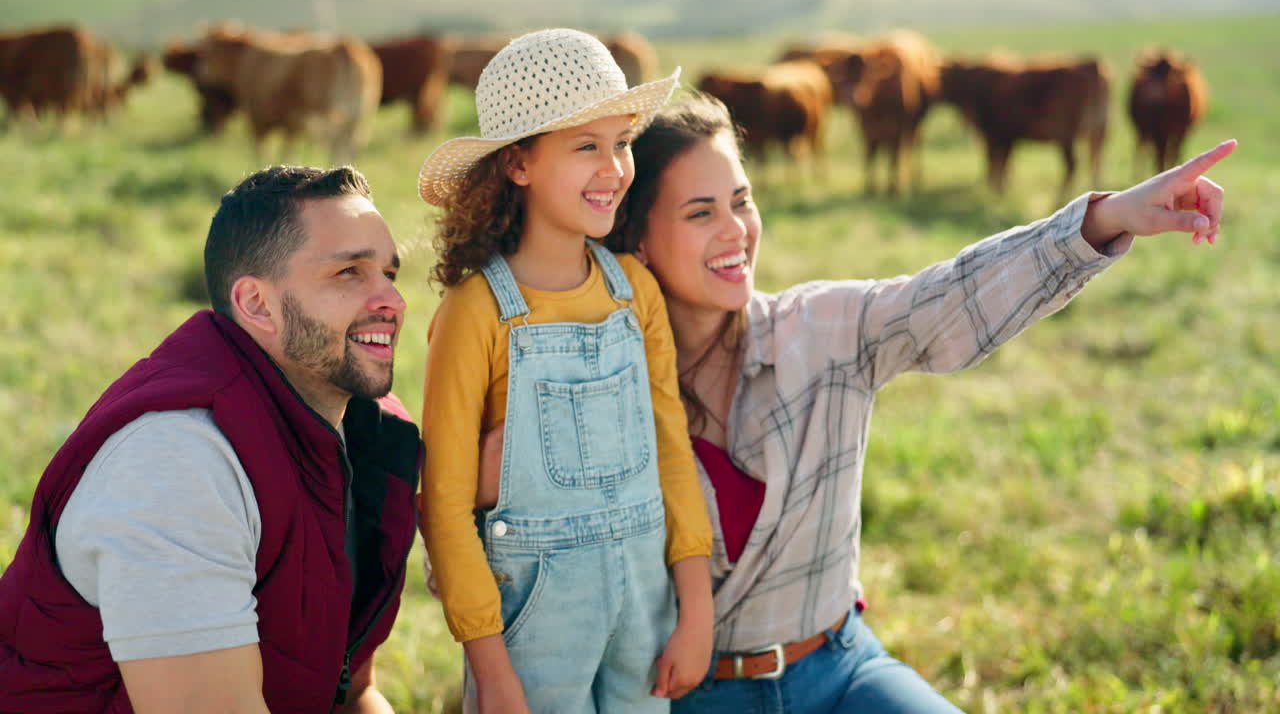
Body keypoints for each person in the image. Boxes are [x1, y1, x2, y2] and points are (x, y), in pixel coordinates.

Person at [477, 93, 1234, 711]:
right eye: (701, 212)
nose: (736, 231)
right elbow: (525, 577)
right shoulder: (593, 393)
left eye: (741, 201)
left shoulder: (822, 329)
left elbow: (954, 296)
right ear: (638, 241)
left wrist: (1107, 219)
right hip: (683, 697)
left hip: (839, 674)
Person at [0, 165, 421, 713]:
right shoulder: (176, 465)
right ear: (256, 304)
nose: (393, 300)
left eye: (389, 273)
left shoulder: (364, 433)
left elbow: (354, 693)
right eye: (349, 273)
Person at [417, 29, 715, 714]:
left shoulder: (634, 290)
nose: (613, 168)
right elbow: (446, 508)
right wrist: (491, 671)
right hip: (531, 628)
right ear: (518, 164)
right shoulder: (475, 312)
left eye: (622, 142)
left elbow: (672, 451)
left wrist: (696, 608)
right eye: (586, 147)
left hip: (647, 610)